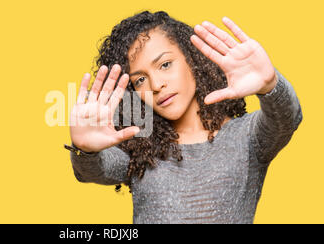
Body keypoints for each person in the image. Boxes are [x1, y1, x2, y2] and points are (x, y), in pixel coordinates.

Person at [65, 10, 303, 224]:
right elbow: (92, 170)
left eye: (165, 64)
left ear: (192, 58)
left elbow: (287, 118)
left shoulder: (247, 137)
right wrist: (84, 149)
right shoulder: (141, 147)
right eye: (140, 80)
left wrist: (270, 84)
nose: (156, 85)